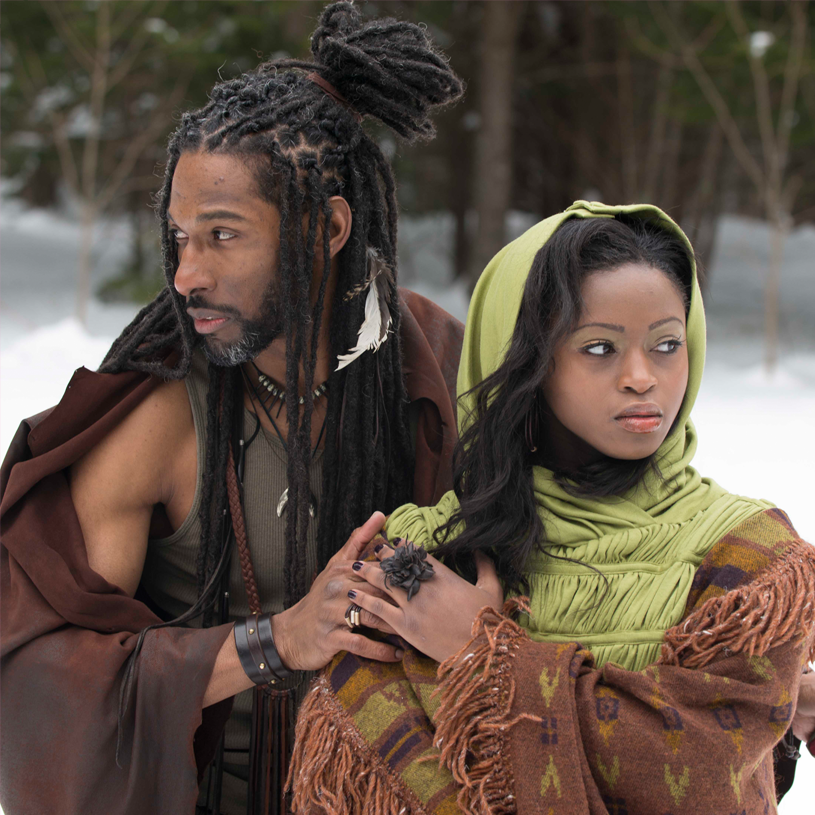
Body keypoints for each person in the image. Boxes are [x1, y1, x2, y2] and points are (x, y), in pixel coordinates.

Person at [0, 4, 465, 814]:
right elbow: (51, 677)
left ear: (325, 227)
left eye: (222, 235)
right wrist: (274, 640)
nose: (184, 275)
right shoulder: (159, 416)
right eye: (179, 236)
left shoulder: (432, 368)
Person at [289, 201, 815, 814]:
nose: (643, 377)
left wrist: (482, 654)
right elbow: (380, 772)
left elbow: (701, 774)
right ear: (525, 362)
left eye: (667, 344)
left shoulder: (751, 557)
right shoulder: (430, 555)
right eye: (599, 349)